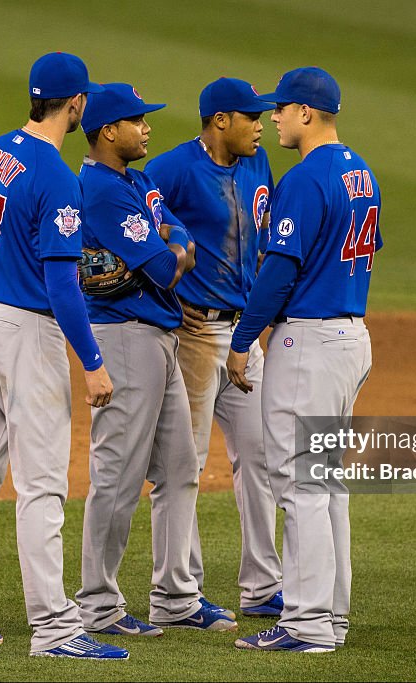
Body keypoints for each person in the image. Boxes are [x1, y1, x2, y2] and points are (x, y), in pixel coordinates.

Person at [0, 52, 128, 661]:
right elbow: (62, 284)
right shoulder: (57, 176)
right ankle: (57, 629)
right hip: (23, 334)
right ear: (77, 104)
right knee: (42, 486)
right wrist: (91, 361)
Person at [226, 66, 382, 653]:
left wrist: (243, 341)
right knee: (326, 483)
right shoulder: (360, 172)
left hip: (308, 344)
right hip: (350, 336)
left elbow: (280, 269)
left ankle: (307, 623)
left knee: (300, 486)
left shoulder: (305, 178)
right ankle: (330, 616)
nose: (273, 117)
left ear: (307, 114)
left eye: (282, 109)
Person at [74, 83, 239, 637]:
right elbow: (169, 268)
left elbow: (178, 236)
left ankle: (175, 596)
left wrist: (171, 243)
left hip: (162, 336)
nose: (147, 128)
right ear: (107, 132)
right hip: (124, 337)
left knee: (178, 469)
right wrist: (171, 249)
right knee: (117, 476)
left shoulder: (137, 181)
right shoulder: (100, 190)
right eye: (137, 121)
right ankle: (97, 605)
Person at [143, 77, 284, 619]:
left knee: (262, 456)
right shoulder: (172, 169)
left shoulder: (256, 166)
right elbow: (143, 236)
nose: (260, 125)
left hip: (244, 337)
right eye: (251, 117)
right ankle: (175, 593)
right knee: (184, 463)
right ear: (220, 119)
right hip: (194, 335)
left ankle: (262, 588)